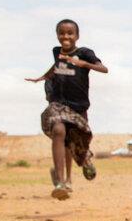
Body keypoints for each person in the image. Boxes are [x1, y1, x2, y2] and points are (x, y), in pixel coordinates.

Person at [25, 19, 108, 200]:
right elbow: (56, 67)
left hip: (78, 107)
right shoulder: (57, 52)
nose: (66, 36)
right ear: (57, 35)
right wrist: (42, 77)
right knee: (58, 131)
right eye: (62, 33)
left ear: (77, 36)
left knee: (76, 143)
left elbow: (104, 68)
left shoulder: (85, 53)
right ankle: (61, 183)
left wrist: (83, 64)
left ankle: (85, 159)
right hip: (58, 104)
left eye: (70, 33)